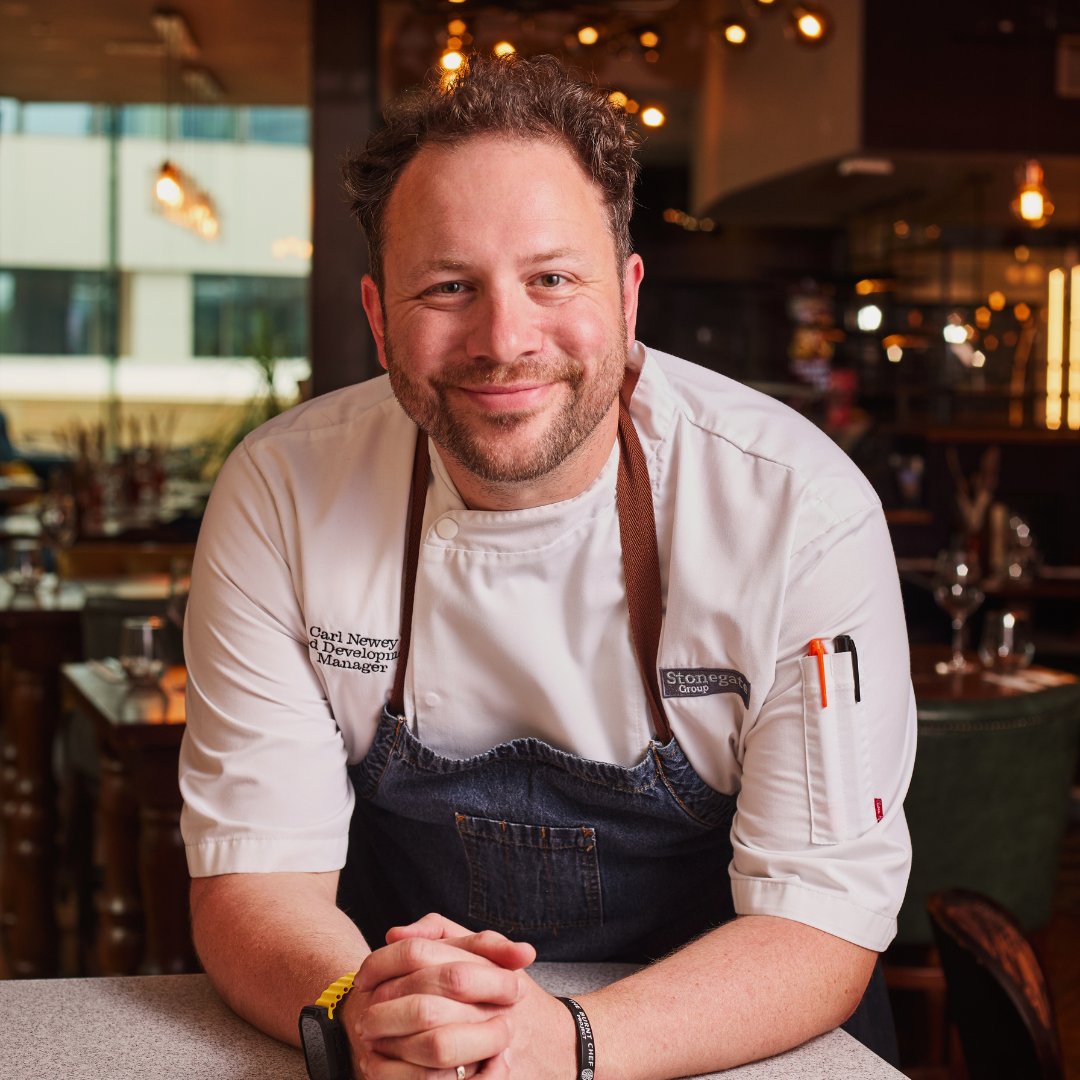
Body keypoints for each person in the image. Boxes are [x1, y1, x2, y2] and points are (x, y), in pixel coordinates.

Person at [181, 54, 915, 1080]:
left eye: (551, 278)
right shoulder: (282, 494)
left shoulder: (798, 509)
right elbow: (253, 878)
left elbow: (822, 922)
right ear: (379, 317)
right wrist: (364, 1015)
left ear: (626, 295)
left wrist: (564, 1044)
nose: (504, 338)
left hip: (735, 1040)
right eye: (448, 287)